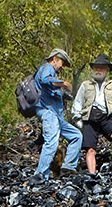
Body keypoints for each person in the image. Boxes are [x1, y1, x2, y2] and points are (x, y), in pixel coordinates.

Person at [31, 48, 82, 184]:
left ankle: (68, 167)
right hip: (48, 112)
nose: (62, 67)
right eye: (62, 63)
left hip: (56, 115)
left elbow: (52, 90)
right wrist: (63, 83)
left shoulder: (52, 73)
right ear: (55, 59)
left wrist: (66, 94)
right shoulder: (47, 68)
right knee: (51, 143)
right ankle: (40, 175)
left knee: (76, 136)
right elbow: (46, 80)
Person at [70, 53, 112, 176]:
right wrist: (79, 122)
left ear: (107, 70)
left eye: (102, 67)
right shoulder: (85, 85)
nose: (98, 70)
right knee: (90, 149)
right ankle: (92, 174)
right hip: (89, 118)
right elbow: (77, 103)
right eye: (96, 67)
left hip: (106, 117)